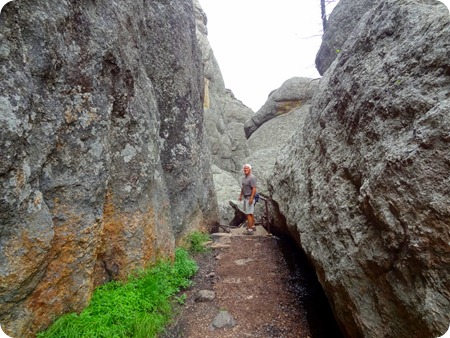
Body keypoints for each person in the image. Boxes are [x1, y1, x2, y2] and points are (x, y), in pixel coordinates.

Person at [238, 163, 257, 235]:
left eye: (247, 168)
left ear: (250, 169)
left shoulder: (252, 177)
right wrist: (240, 196)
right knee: (249, 213)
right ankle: (252, 225)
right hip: (246, 197)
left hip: (249, 197)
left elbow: (254, 188)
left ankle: (249, 230)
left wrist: (251, 198)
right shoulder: (245, 178)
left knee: (249, 214)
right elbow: (243, 187)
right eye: (244, 168)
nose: (245, 169)